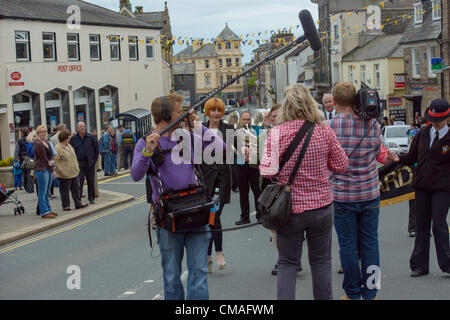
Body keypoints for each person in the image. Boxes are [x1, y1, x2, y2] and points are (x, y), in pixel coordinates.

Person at [130, 93, 226, 300]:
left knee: (199, 274)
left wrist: (198, 126)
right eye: (178, 110)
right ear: (165, 115)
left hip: (197, 213)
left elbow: (221, 148)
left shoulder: (186, 137)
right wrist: (148, 151)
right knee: (172, 277)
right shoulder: (145, 142)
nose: (184, 113)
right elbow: (136, 175)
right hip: (168, 218)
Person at [259, 83, 349, 300]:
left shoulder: (276, 133)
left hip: (290, 209)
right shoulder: (323, 129)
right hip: (322, 206)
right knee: (321, 262)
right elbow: (341, 164)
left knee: (287, 264)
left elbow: (267, 170)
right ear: (310, 102)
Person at [328, 82, 382, 300]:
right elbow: (378, 152)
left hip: (341, 195)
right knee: (371, 243)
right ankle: (371, 292)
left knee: (347, 246)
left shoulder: (328, 127)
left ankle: (352, 293)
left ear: (334, 101)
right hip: (369, 192)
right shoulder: (373, 125)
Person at [388, 98, 450, 277]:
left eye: (439, 120)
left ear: (447, 118)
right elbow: (411, 156)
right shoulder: (423, 133)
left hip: (442, 188)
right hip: (422, 186)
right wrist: (397, 158)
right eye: (433, 120)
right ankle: (419, 265)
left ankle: (447, 264)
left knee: (439, 224)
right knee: (421, 226)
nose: (436, 124)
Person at [202, 97, 234, 272]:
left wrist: (244, 149)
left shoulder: (228, 129)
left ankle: (216, 254)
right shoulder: (200, 130)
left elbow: (235, 149)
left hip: (222, 180)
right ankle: (211, 255)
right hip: (205, 181)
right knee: (209, 218)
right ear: (208, 111)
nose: (216, 113)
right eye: (213, 110)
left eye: (219, 110)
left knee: (214, 215)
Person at [234, 111, 261, 225]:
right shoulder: (235, 132)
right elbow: (231, 148)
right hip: (241, 163)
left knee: (257, 191)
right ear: (240, 120)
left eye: (248, 119)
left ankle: (260, 216)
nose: (246, 121)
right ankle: (245, 216)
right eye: (244, 119)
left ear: (251, 120)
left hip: (254, 163)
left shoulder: (256, 130)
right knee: (243, 192)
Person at [55, 129, 88, 211]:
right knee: (65, 191)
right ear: (64, 137)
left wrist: (77, 167)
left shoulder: (69, 146)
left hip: (74, 172)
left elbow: (74, 158)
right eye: (68, 136)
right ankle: (66, 205)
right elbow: (56, 161)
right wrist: (61, 171)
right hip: (65, 173)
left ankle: (78, 203)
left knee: (76, 189)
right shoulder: (58, 148)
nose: (70, 137)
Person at [70, 122, 99, 205]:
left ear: (85, 127)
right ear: (77, 128)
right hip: (79, 163)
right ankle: (78, 199)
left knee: (91, 181)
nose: (82, 128)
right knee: (79, 181)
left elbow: (96, 150)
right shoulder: (73, 138)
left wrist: (94, 161)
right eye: (80, 127)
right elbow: (72, 151)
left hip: (89, 162)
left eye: (83, 126)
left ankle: (91, 198)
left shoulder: (91, 137)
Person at [34, 125, 58, 219]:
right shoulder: (38, 143)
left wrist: (52, 163)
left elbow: (52, 154)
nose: (43, 133)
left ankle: (48, 209)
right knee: (42, 192)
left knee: (47, 191)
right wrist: (53, 170)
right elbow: (44, 159)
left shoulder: (47, 141)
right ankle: (44, 212)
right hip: (42, 169)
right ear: (38, 133)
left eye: (44, 131)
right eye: (41, 131)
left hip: (48, 168)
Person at [14, 128, 33, 193]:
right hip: (30, 158)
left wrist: (15, 160)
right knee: (29, 173)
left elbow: (16, 151)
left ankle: (26, 187)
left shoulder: (19, 141)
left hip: (22, 158)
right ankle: (31, 188)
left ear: (22, 133)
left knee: (25, 173)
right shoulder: (30, 140)